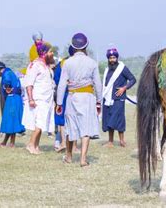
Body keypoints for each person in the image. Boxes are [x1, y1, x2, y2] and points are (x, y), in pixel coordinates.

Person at [56, 33, 102, 167]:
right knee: (86, 128)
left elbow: (62, 84)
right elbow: (97, 84)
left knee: (71, 128)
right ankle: (83, 159)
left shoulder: (67, 62)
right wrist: (99, 101)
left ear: (73, 46)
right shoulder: (92, 63)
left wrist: (59, 103)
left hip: (72, 96)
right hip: (87, 97)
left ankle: (69, 156)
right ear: (86, 46)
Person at [22, 42, 56, 154]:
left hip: (47, 99)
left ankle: (36, 145)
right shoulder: (35, 65)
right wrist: (31, 99)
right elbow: (29, 83)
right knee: (39, 123)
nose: (52, 54)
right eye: (50, 52)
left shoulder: (46, 66)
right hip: (39, 99)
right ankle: (31, 144)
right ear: (44, 53)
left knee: (42, 123)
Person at [101, 48, 136, 147]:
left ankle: (122, 141)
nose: (112, 60)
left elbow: (133, 79)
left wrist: (124, 88)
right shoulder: (107, 70)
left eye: (114, 58)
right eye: (110, 58)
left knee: (119, 119)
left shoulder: (122, 68)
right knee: (108, 120)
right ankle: (110, 142)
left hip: (118, 98)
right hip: (107, 98)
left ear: (117, 58)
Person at [53, 45, 75, 152]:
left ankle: (63, 143)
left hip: (63, 94)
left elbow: (57, 80)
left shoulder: (62, 63)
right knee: (74, 119)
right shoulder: (82, 63)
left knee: (61, 119)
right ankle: (74, 146)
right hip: (76, 94)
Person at [0, 61, 25, 147]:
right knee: (11, 121)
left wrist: (6, 91)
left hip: (12, 99)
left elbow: (7, 88)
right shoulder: (10, 72)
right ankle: (5, 142)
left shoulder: (6, 75)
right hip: (16, 99)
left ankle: (11, 143)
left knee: (11, 120)